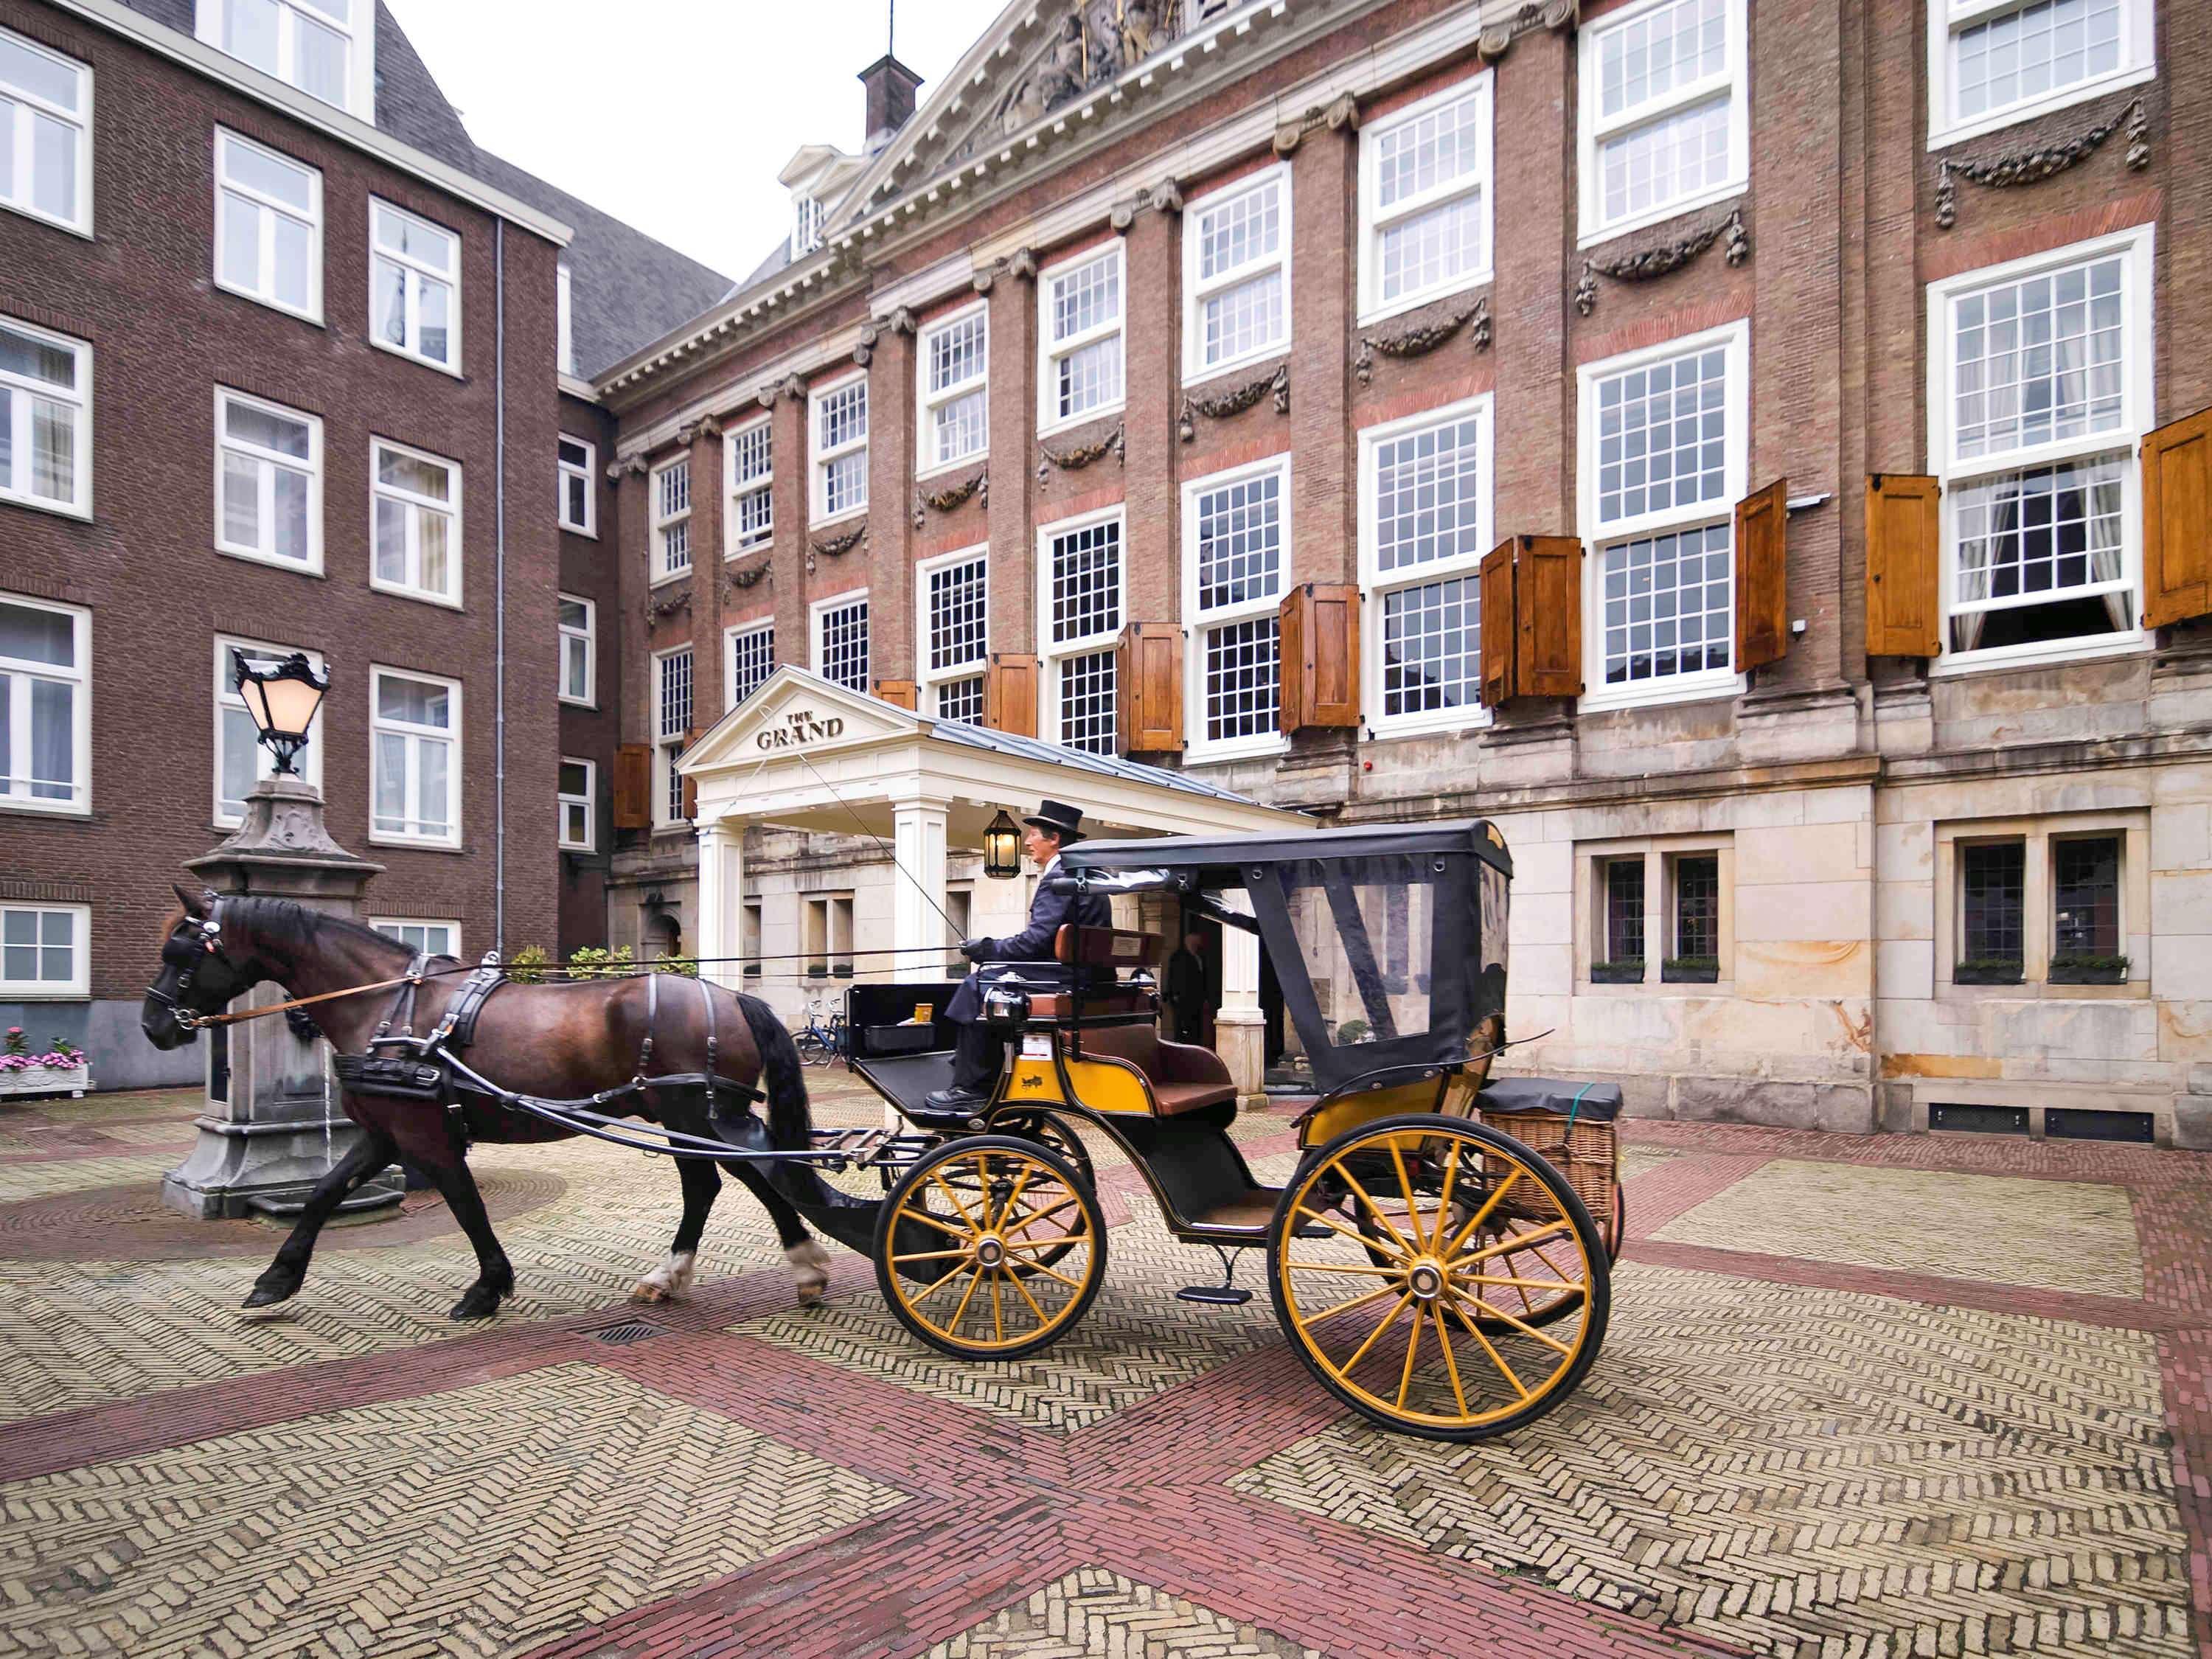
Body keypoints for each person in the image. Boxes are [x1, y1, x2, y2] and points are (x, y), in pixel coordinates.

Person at [925, 800, 1110, 1110]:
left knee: (979, 983)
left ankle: (972, 1085)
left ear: (1054, 839)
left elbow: (1034, 943)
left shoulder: (1059, 879)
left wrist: (986, 949)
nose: (1027, 841)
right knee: (989, 978)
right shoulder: (1085, 876)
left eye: (1034, 834)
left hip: (1065, 976)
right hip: (1085, 974)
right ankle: (972, 1057)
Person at [1164, 928, 1209, 1045]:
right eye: (1197, 939)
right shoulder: (1178, 956)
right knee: (1182, 1028)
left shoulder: (1200, 956)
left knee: (1196, 1029)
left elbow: (1203, 979)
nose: (1199, 942)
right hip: (1182, 999)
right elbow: (1174, 977)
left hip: (1197, 1000)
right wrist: (1175, 995)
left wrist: (1205, 998)